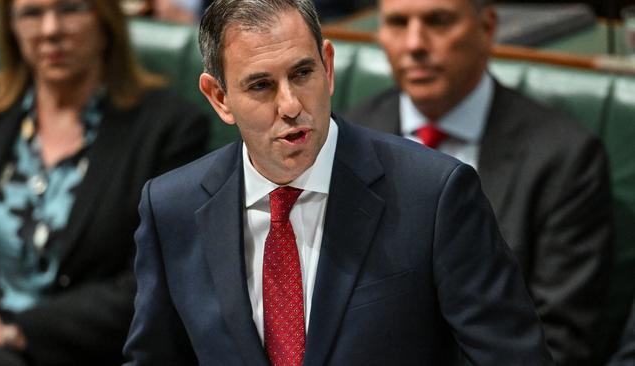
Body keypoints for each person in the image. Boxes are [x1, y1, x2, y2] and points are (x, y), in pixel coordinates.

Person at [123, 0, 554, 365]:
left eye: (302, 74)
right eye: (260, 86)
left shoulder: (434, 195)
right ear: (219, 98)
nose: (290, 105)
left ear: (328, 67)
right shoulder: (170, 207)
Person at [345, 0, 613, 365]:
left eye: (438, 21)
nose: (414, 44)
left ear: (486, 28)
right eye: (397, 23)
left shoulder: (564, 157)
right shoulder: (347, 139)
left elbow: (558, 342)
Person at [0, 0, 209, 365]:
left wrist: (14, 331)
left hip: (81, 351)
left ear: (106, 20)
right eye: (31, 14)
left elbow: (154, 284)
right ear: (10, 29)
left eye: (70, 9)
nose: (50, 30)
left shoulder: (168, 129)